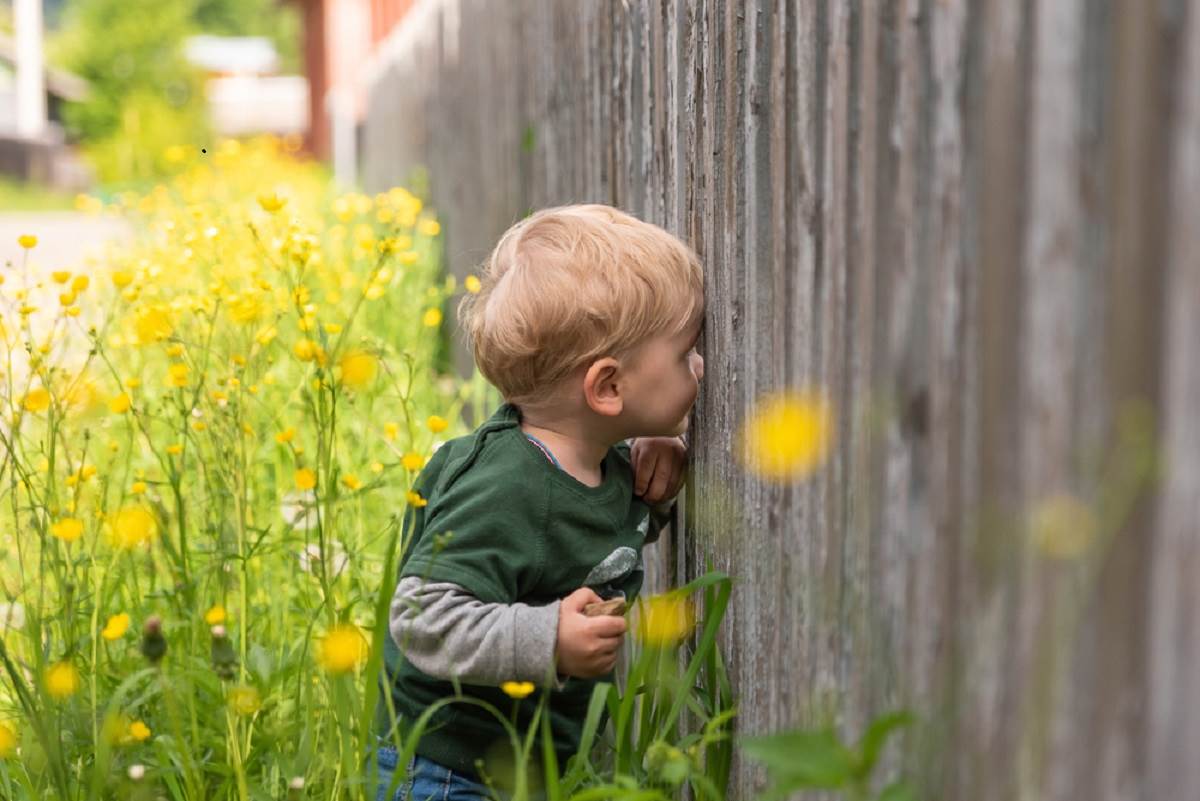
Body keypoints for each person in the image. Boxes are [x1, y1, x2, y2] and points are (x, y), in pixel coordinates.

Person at [369, 204, 706, 801]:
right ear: (607, 387)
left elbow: (594, 538)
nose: (701, 370)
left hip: (515, 764)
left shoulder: (595, 462)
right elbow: (420, 617)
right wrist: (546, 639)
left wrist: (658, 468)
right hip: (448, 768)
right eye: (684, 356)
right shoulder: (506, 485)